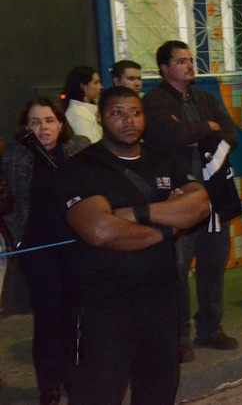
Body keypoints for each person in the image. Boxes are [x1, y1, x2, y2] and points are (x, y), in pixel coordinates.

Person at [54, 86, 210, 404]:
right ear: (100, 118)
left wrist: (136, 214)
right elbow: (100, 230)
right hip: (105, 308)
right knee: (98, 395)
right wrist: (168, 226)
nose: (128, 121)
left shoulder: (164, 160)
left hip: (161, 303)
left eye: (135, 113)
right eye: (117, 113)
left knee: (159, 392)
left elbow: (200, 206)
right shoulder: (82, 168)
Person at [142, 40, 241, 363]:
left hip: (214, 197)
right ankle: (178, 336)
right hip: (177, 200)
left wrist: (199, 133)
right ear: (164, 68)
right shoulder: (154, 101)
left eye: (190, 60)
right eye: (181, 61)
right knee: (177, 270)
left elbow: (231, 134)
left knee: (214, 264)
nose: (189, 65)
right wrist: (206, 129)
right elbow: (171, 135)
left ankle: (210, 328)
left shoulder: (205, 98)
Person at [3, 97, 89, 405]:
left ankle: (75, 377)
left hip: (76, 243)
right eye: (35, 122)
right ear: (25, 127)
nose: (43, 128)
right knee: (48, 313)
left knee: (76, 314)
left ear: (61, 123)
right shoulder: (16, 155)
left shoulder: (78, 148)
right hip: (38, 245)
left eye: (49, 120)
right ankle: (49, 385)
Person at [63, 66, 103, 143]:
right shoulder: (77, 114)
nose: (100, 87)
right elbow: (88, 145)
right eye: (96, 83)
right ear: (83, 86)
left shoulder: (87, 111)